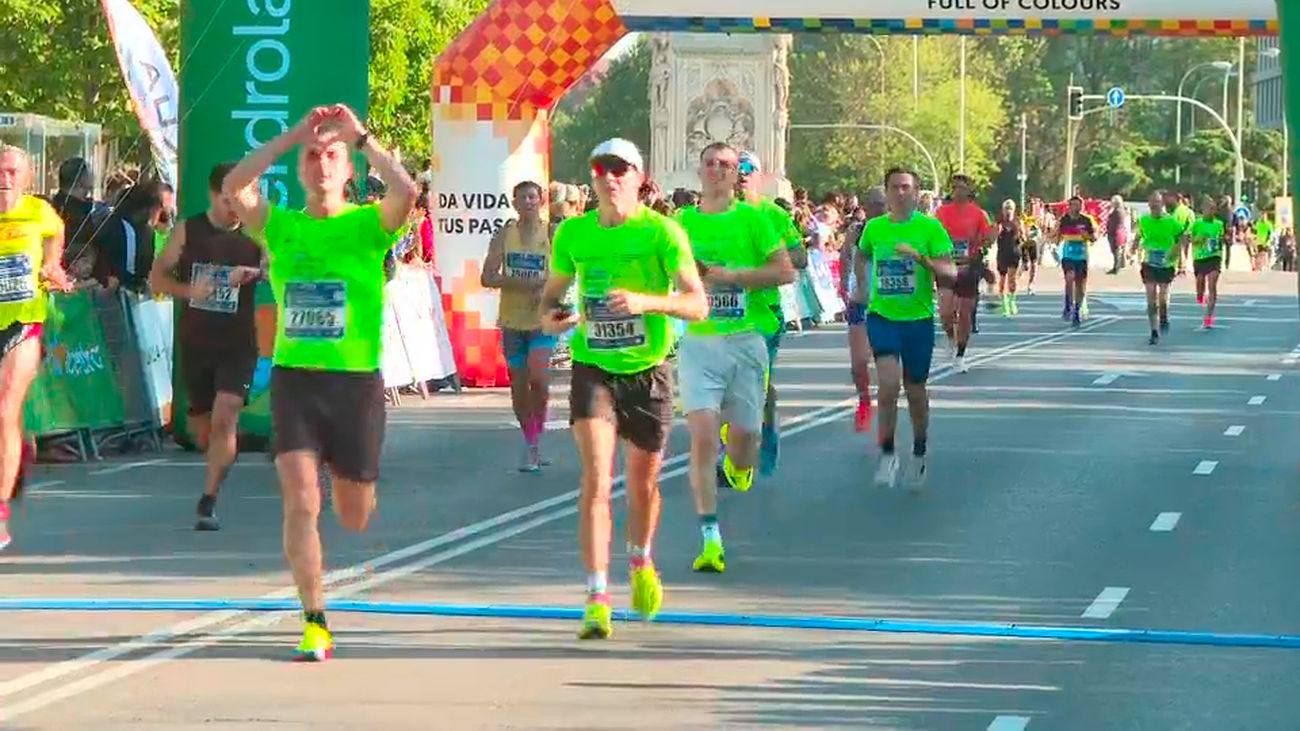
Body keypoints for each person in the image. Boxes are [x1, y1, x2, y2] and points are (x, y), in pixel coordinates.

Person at [223, 104, 417, 661]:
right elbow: (237, 186)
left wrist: (362, 137)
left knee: (353, 515)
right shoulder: (281, 226)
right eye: (314, 157)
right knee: (300, 501)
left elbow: (404, 194)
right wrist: (291, 136)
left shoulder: (366, 225)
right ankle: (314, 619)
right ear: (302, 169)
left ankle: (346, 480)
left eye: (333, 156)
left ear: (348, 169)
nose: (322, 164)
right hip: (296, 383)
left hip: (355, 385)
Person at [537, 138, 708, 640]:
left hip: (648, 372)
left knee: (641, 486)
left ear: (638, 177)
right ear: (592, 179)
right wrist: (553, 319)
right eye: (600, 169)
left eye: (620, 169)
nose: (609, 178)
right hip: (594, 369)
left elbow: (697, 305)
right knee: (595, 480)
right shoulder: (573, 234)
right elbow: (548, 303)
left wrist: (644, 302)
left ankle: (640, 560)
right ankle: (596, 597)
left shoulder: (663, 232)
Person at [675, 142, 793, 574]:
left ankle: (739, 463)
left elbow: (786, 271)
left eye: (725, 165)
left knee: (743, 442)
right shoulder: (680, 223)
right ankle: (710, 538)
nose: (717, 171)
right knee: (703, 436)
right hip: (699, 342)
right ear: (700, 170)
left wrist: (735, 277)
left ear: (734, 173)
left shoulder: (755, 221)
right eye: (709, 163)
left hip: (746, 340)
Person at [149, 162, 264, 531]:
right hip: (197, 340)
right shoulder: (188, 230)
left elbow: (280, 266)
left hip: (238, 342)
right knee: (205, 426)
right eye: (231, 200)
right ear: (215, 195)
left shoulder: (256, 232)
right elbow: (157, 276)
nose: (238, 207)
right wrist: (189, 291)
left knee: (225, 414)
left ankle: (209, 498)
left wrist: (258, 273)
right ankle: (219, 449)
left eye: (245, 198)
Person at [854, 167, 956, 491]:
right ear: (886, 192)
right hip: (882, 316)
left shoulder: (930, 228)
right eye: (895, 187)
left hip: (918, 320)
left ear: (916, 192)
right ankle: (887, 453)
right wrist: (862, 286)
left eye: (906, 188)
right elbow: (861, 254)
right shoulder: (874, 228)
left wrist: (920, 258)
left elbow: (949, 271)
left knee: (915, 391)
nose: (900, 193)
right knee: (886, 386)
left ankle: (920, 448)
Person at [0, 145, 73, 549]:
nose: (5, 178)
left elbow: (55, 243)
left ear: (26, 178)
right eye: (0, 171)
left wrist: (52, 268)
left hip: (23, 323)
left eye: (13, 171)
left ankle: (0, 511)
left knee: (6, 407)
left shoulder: (40, 213)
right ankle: (17, 455)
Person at [480, 181, 556, 471]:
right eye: (522, 197)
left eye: (533, 197)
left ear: (541, 201)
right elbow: (487, 277)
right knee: (519, 386)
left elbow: (567, 272)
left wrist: (548, 287)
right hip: (512, 319)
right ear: (514, 202)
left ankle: (536, 437)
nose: (528, 202)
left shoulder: (551, 233)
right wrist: (523, 283)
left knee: (540, 378)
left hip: (542, 318)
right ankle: (530, 442)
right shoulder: (504, 235)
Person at [737, 151, 804, 475]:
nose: (740, 174)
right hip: (721, 316)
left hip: (764, 314)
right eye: (733, 168)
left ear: (760, 177)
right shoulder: (709, 214)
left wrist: (764, 265)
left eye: (747, 169)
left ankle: (765, 436)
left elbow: (800, 257)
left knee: (756, 384)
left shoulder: (772, 215)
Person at [934, 175, 991, 373]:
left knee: (965, 314)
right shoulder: (942, 212)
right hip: (947, 267)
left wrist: (985, 242)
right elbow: (933, 235)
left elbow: (988, 236)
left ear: (969, 191)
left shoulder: (978, 214)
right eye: (954, 187)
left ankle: (960, 355)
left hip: (969, 267)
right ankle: (951, 338)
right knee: (945, 312)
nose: (957, 191)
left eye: (962, 187)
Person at [840, 187, 884, 433]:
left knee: (885, 361)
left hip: (889, 305)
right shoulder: (856, 231)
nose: (877, 208)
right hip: (860, 301)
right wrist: (844, 286)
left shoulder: (897, 231)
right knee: (859, 363)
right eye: (873, 204)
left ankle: (887, 403)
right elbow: (845, 256)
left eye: (882, 204)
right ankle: (864, 398)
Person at [1136, 191, 1187, 346]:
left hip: (1166, 263)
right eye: (1152, 204)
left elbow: (1182, 236)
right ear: (1149, 205)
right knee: (1151, 299)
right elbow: (1139, 236)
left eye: (1157, 203)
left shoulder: (1171, 221)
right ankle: (1154, 331)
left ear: (1162, 204)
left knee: (1163, 298)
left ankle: (1164, 316)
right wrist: (1132, 249)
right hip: (1149, 262)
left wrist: (1177, 254)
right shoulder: (1143, 220)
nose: (1155, 207)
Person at [1056, 196, 1097, 328]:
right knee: (1069, 277)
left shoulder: (1087, 220)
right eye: (1072, 205)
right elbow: (1057, 235)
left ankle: (1077, 311)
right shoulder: (1064, 219)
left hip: (1082, 255)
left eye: (1078, 205)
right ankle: (1068, 304)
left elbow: (1094, 238)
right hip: (1068, 254)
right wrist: (1054, 240)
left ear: (1082, 206)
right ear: (1069, 206)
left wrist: (1086, 235)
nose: (1075, 208)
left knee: (1080, 284)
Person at [1190, 197, 1226, 329]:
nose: (1210, 211)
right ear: (1203, 210)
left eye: (1212, 209)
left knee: (1212, 284)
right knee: (1200, 284)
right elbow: (1191, 240)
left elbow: (1222, 239)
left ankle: (1209, 317)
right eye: (1207, 209)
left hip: (1214, 257)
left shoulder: (1219, 224)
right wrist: (1199, 239)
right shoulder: (1197, 224)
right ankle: (1200, 296)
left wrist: (1221, 240)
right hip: (1200, 257)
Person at [994, 199, 1025, 316]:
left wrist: (1025, 257)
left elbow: (1024, 239)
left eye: (1010, 208)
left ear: (1013, 210)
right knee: (1002, 279)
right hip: (1002, 253)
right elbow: (992, 237)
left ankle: (1012, 301)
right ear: (1002, 210)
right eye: (1006, 209)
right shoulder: (999, 223)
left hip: (1014, 252)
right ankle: (1004, 303)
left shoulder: (1018, 222)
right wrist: (997, 231)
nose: (1008, 211)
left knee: (1012, 278)